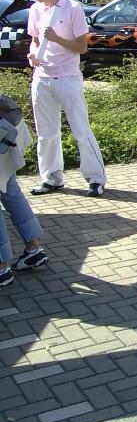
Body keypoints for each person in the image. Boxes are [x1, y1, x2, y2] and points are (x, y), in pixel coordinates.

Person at [25, 0, 107, 197]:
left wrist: (56, 38)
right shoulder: (35, 10)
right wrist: (33, 55)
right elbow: (35, 40)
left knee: (81, 129)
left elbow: (82, 47)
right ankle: (51, 178)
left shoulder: (72, 7)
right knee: (46, 132)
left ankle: (96, 178)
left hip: (68, 78)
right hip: (42, 78)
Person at [0, 94, 48, 288]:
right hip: (7, 130)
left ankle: (2, 267)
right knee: (11, 191)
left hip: (4, 133)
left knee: (10, 190)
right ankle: (33, 249)